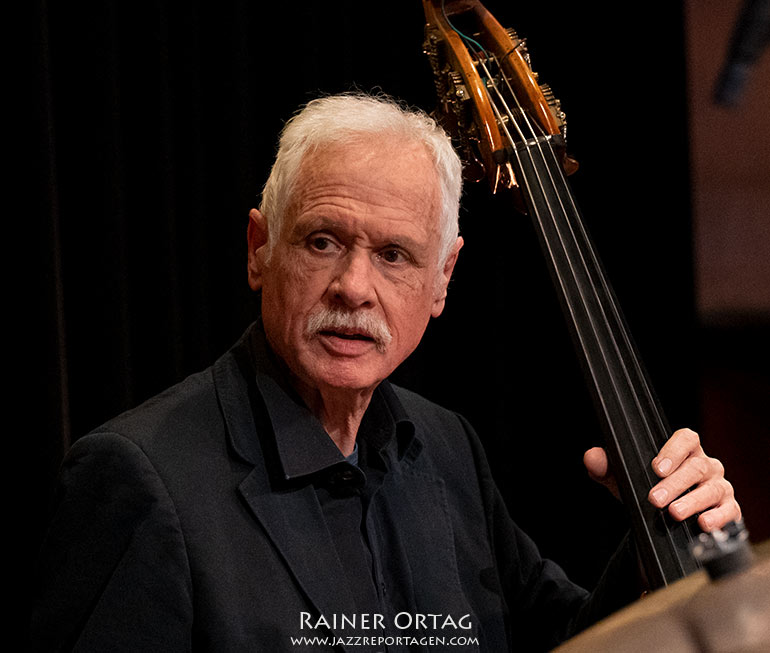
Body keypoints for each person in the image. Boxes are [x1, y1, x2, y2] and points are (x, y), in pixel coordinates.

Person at [31, 92, 741, 652]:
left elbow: (569, 641)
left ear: (442, 280)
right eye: (322, 240)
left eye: (395, 255)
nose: (353, 286)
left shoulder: (445, 447)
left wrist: (673, 535)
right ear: (258, 249)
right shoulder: (137, 479)